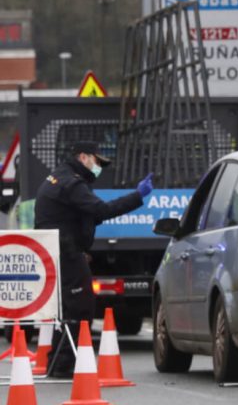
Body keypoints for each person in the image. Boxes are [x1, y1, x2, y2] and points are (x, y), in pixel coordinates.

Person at [34, 141, 153, 377]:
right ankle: (65, 365)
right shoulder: (72, 183)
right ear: (83, 157)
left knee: (69, 310)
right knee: (80, 308)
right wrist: (137, 196)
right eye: (97, 161)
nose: (99, 167)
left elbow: (86, 217)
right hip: (66, 252)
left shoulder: (62, 177)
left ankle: (58, 364)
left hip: (59, 251)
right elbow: (101, 211)